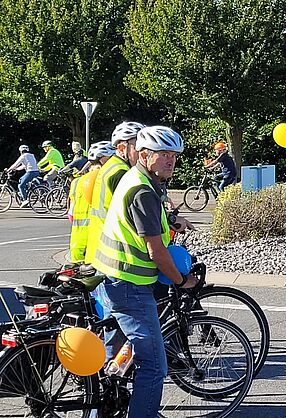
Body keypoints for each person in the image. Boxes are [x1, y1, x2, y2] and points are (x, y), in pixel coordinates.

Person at [93, 126, 197, 417]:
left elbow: (150, 223)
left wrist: (170, 221)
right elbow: (156, 252)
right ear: (143, 154)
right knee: (153, 366)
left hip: (114, 278)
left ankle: (109, 406)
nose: (170, 161)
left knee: (117, 356)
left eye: (174, 155)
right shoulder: (142, 190)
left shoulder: (140, 178)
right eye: (163, 154)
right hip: (130, 284)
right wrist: (181, 280)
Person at [85, 122, 146, 266]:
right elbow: (138, 212)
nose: (144, 150)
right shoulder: (121, 173)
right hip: (115, 254)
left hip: (100, 248)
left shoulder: (112, 166)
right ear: (121, 148)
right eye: (138, 145)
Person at [68, 141, 116, 263]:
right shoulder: (104, 178)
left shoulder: (76, 182)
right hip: (99, 242)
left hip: (77, 243)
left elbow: (71, 212)